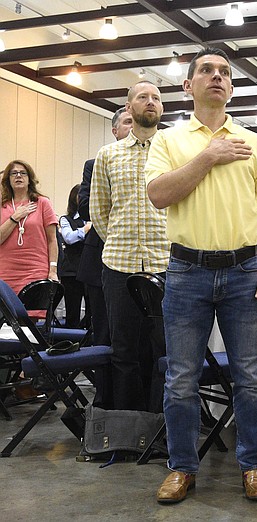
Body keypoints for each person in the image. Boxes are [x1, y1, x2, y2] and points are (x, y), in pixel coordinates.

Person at [146, 47, 257, 504]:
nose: (217, 77)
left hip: (244, 270)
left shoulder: (255, 144)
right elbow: (159, 195)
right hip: (186, 270)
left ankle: (253, 466)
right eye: (206, 70)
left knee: (250, 376)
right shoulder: (169, 142)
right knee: (182, 378)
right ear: (188, 85)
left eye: (225, 72)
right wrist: (209, 156)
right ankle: (182, 468)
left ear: (231, 87)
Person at [90, 81, 168, 414]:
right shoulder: (108, 155)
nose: (150, 102)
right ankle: (127, 428)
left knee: (164, 351)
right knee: (123, 351)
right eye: (143, 97)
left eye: (156, 98)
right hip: (118, 266)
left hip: (165, 263)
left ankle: (159, 427)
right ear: (128, 106)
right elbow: (99, 211)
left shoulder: (173, 151)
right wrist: (123, 240)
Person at [78, 108, 133, 348]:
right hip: (101, 257)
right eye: (127, 122)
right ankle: (104, 387)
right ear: (115, 131)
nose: (133, 127)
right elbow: (84, 207)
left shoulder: (157, 160)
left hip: (144, 259)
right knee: (103, 334)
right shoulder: (96, 163)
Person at [0, 160, 59, 295]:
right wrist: (15, 217)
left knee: (32, 313)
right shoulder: (3, 206)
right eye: (14, 173)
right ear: (8, 180)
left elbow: (52, 240)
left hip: (35, 270)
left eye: (23, 173)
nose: (18, 176)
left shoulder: (42, 203)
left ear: (29, 179)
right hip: (6, 273)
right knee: (6, 314)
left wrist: (53, 270)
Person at [59, 183, 91, 328]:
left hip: (91, 271)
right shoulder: (66, 219)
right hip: (71, 271)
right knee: (73, 311)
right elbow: (69, 238)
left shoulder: (96, 218)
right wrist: (86, 229)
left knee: (93, 311)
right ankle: (71, 342)